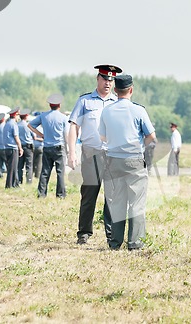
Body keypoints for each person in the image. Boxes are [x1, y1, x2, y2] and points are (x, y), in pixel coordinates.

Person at [99, 74, 156, 250]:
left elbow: (103, 136)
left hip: (113, 160)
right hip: (134, 160)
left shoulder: (106, 110)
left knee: (117, 202)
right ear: (131, 90)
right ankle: (135, 242)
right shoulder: (139, 111)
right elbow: (151, 136)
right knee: (136, 202)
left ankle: (115, 242)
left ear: (115, 90)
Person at [68, 64, 121, 245]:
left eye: (111, 80)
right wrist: (71, 152)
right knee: (89, 194)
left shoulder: (118, 102)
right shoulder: (85, 101)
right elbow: (74, 126)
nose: (108, 83)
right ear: (98, 79)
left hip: (113, 155)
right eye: (105, 79)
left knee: (112, 196)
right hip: (91, 155)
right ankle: (84, 233)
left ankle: (112, 235)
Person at [28, 94, 69, 198]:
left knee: (45, 172)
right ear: (59, 105)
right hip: (59, 147)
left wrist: (40, 134)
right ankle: (60, 195)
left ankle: (41, 194)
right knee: (60, 172)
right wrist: (68, 149)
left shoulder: (43, 116)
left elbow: (30, 125)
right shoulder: (63, 117)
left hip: (47, 146)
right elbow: (66, 134)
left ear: (50, 105)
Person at [3, 108, 23, 188]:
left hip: (7, 148)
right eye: (18, 115)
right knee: (13, 167)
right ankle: (11, 185)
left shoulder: (7, 124)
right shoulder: (14, 124)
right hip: (13, 148)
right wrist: (20, 148)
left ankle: (14, 183)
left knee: (11, 167)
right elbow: (16, 137)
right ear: (15, 115)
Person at [17, 109, 34, 184]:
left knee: (19, 166)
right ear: (26, 116)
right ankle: (29, 181)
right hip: (28, 146)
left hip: (20, 146)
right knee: (29, 165)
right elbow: (34, 136)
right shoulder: (28, 125)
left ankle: (20, 180)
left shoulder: (17, 125)